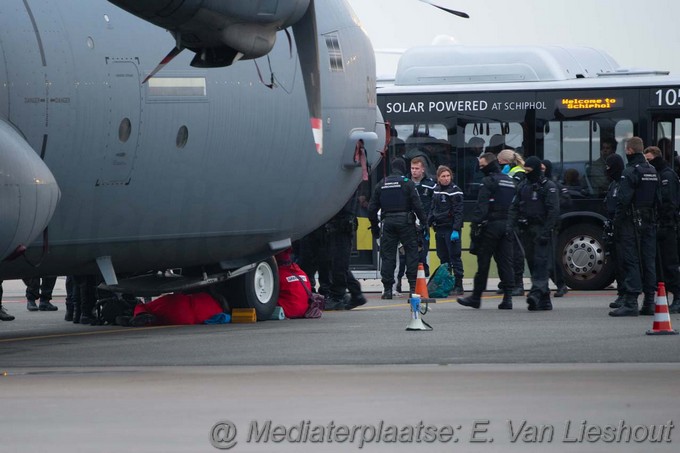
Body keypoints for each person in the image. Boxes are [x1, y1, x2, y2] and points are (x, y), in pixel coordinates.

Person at [457, 153, 516, 309]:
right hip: (507, 226)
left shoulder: (488, 181)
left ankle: (476, 297)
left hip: (491, 226)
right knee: (505, 262)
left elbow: (481, 208)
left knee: (483, 262)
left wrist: (474, 228)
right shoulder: (509, 181)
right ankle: (508, 298)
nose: (481, 169)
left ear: (490, 165)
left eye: (482, 166)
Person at [609, 137, 659, 317]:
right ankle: (649, 302)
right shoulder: (652, 170)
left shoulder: (629, 171)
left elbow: (623, 200)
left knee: (631, 260)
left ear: (629, 150)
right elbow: (658, 199)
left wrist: (617, 222)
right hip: (649, 221)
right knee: (648, 261)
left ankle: (630, 302)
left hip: (631, 222)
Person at [368, 157, 427, 299]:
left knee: (388, 256)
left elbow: (371, 209)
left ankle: (387, 289)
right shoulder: (408, 183)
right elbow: (417, 206)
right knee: (412, 253)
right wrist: (424, 224)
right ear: (404, 168)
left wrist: (375, 229)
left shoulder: (382, 184)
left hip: (388, 223)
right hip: (406, 223)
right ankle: (413, 287)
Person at [508, 156, 560, 311]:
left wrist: (546, 231)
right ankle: (544, 301)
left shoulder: (548, 186)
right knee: (532, 263)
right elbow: (514, 207)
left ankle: (535, 293)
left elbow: (553, 211)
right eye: (525, 170)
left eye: (529, 171)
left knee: (541, 264)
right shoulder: (523, 185)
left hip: (542, 229)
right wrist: (510, 226)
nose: (526, 173)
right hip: (526, 230)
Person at [644, 145, 680, 314]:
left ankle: (678, 297)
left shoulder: (667, 175)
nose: (648, 163)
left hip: (667, 227)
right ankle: (663, 299)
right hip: (658, 225)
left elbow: (670, 203)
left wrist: (664, 221)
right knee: (658, 265)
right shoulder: (656, 174)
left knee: (670, 264)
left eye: (649, 160)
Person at [324, 192, 367, 311]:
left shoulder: (345, 187)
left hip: (341, 225)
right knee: (338, 263)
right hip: (340, 225)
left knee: (339, 263)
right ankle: (355, 293)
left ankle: (338, 296)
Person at [428, 165, 465, 295]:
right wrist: (428, 224)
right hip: (440, 229)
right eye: (443, 176)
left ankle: (459, 285)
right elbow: (432, 209)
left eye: (448, 176)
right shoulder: (436, 190)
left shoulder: (455, 191)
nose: (446, 178)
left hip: (451, 229)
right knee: (443, 258)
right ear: (438, 178)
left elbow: (459, 212)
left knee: (455, 257)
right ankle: (448, 283)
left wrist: (456, 229)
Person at [496, 149, 527, 296]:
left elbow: (513, 191)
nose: (500, 166)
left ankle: (518, 283)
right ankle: (507, 282)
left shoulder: (518, 173)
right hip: (507, 215)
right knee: (505, 252)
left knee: (515, 252)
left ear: (507, 162)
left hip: (516, 217)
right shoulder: (510, 172)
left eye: (501, 163)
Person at [542, 160, 571, 297]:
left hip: (552, 225)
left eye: (544, 168)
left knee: (550, 258)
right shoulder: (534, 185)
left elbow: (567, 200)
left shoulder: (554, 185)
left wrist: (554, 202)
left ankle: (560, 284)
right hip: (538, 225)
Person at [603, 154, 628, 311]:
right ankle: (621, 293)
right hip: (613, 226)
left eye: (609, 167)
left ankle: (626, 294)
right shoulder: (613, 184)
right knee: (616, 262)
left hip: (623, 228)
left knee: (625, 262)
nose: (607, 171)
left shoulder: (624, 182)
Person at [408, 156, 436, 277]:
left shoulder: (431, 185)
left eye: (417, 168)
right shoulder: (406, 184)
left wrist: (429, 220)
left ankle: (423, 274)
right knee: (408, 253)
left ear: (423, 169)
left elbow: (436, 204)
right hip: (408, 223)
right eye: (412, 168)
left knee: (423, 251)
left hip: (424, 224)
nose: (414, 171)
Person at [297, 225, 331, 296]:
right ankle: (318, 289)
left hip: (312, 229)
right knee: (312, 261)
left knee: (321, 261)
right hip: (316, 229)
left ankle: (312, 289)